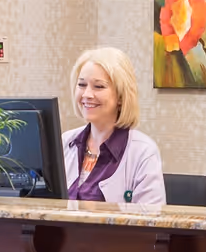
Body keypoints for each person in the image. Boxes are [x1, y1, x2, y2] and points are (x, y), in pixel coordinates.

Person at [63, 46, 165, 207]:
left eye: (99, 86)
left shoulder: (143, 151)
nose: (87, 94)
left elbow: (151, 222)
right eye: (82, 85)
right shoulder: (64, 142)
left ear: (120, 96)